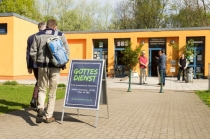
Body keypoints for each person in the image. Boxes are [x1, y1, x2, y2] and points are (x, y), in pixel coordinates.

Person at [30, 19, 70, 123]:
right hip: (55, 67)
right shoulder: (60, 34)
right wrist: (62, 63)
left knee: (42, 89)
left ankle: (41, 108)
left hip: (42, 66)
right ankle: (49, 116)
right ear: (55, 27)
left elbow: (32, 52)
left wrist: (37, 62)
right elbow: (67, 51)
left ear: (47, 26)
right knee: (52, 92)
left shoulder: (38, 35)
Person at [26, 22, 46, 108]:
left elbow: (27, 53)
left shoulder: (30, 37)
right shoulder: (44, 37)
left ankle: (35, 100)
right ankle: (35, 100)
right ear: (44, 28)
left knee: (39, 81)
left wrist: (29, 66)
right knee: (40, 81)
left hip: (33, 64)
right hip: (41, 63)